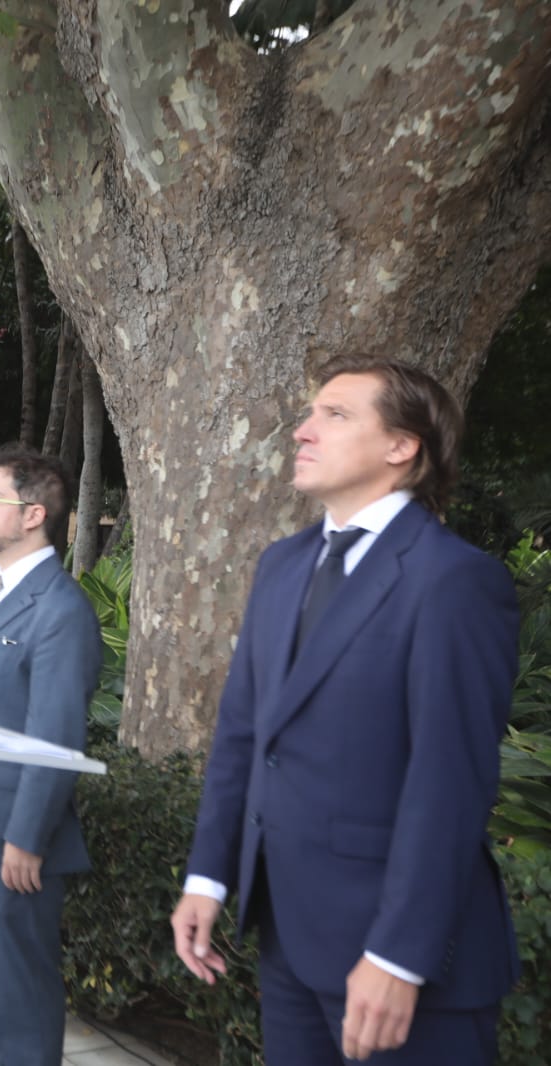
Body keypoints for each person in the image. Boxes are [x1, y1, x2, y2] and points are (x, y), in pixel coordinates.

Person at [171, 357, 520, 1065]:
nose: (301, 431)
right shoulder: (281, 565)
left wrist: (397, 955)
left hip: (404, 966)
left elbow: (448, 782)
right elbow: (242, 735)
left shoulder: (452, 580)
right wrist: (208, 876)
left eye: (333, 415)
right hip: (287, 940)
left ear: (402, 446)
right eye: (308, 415)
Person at [0, 446, 101, 1066]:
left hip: (11, 849)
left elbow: (55, 735)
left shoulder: (60, 610)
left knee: (18, 1016)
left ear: (33, 514)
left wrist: (27, 837)